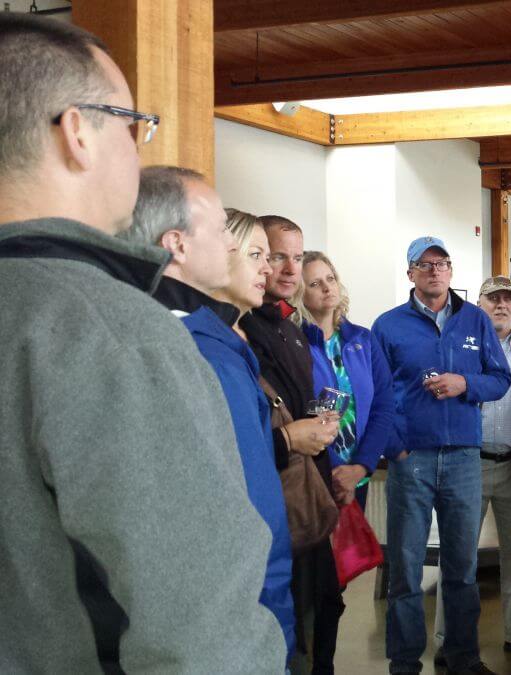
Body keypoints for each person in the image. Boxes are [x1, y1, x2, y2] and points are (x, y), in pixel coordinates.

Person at [0, 13, 284, 671]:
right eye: (134, 126)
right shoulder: (109, 330)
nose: (139, 149)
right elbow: (202, 633)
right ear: (78, 132)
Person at [122, 168, 297, 662]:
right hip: (232, 623)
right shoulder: (201, 351)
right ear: (176, 244)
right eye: (222, 230)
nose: (231, 246)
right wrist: (272, 627)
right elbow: (249, 510)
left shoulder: (147, 328)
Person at [373, 236, 511, 675]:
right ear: (410, 273)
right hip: (410, 459)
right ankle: (404, 663)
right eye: (426, 264)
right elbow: (375, 393)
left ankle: (463, 658)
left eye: (443, 263)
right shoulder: (388, 326)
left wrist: (464, 385)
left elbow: (500, 378)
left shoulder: (474, 320)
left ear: (451, 272)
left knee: (462, 568)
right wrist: (394, 445)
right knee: (406, 568)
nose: (435, 270)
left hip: (463, 460)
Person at [433, 276, 511, 666]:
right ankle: (449, 640)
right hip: (466, 465)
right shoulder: (459, 343)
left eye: (508, 299)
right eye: (493, 299)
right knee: (458, 557)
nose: (501, 305)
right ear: (480, 304)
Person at [240, 214, 341, 674]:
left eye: (296, 258)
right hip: (273, 500)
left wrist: (321, 431)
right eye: (275, 256)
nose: (286, 270)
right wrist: (290, 438)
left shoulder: (295, 332)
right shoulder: (243, 332)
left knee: (324, 612)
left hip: (309, 492)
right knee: (292, 632)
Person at [296, 250, 395, 507]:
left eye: (330, 279)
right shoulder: (294, 344)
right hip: (315, 474)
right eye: (315, 283)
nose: (327, 288)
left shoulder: (363, 340)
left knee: (351, 547)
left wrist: (361, 467)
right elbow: (296, 414)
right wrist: (337, 472)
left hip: (357, 475)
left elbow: (383, 407)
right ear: (299, 293)